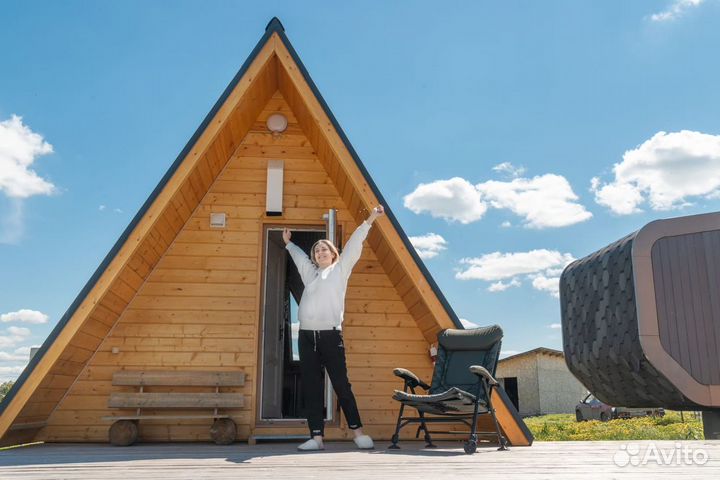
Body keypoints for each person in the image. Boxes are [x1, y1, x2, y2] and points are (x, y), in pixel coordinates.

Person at [283, 205, 385, 451]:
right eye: (317, 250)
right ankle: (316, 438)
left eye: (324, 249)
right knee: (311, 386)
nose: (320, 252)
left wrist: (370, 219)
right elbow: (299, 259)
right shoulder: (311, 275)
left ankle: (358, 433)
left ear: (333, 254)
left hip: (330, 335)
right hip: (307, 337)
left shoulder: (340, 270)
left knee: (341, 385)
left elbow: (354, 245)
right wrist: (288, 243)